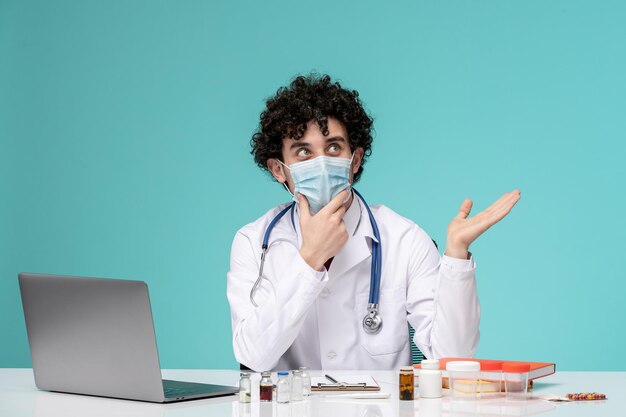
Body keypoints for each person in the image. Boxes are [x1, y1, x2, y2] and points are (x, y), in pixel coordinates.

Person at [226, 74, 520, 371]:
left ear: (354, 160)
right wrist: (310, 259)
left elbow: (452, 359)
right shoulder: (254, 242)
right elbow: (253, 356)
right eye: (304, 152)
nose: (322, 163)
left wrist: (456, 254)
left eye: (333, 148)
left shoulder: (404, 239)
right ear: (279, 169)